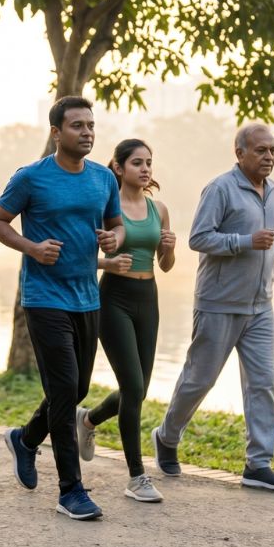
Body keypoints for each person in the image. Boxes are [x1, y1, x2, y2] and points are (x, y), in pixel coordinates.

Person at [0, 96, 123, 521]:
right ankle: (70, 490)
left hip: (88, 296)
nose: (86, 132)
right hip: (44, 298)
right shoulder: (31, 177)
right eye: (77, 126)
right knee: (65, 391)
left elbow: (116, 224)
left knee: (77, 389)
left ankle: (26, 439)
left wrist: (113, 240)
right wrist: (31, 247)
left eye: (90, 125)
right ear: (56, 132)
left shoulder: (104, 179)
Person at [153, 123, 274, 492]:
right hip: (218, 303)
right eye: (261, 150)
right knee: (199, 379)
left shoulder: (272, 190)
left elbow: (264, 232)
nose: (269, 157)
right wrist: (246, 242)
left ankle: (258, 464)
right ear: (240, 153)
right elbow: (199, 237)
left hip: (261, 306)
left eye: (273, 150)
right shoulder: (219, 189)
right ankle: (167, 437)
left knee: (263, 382)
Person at [76, 139, 175, 503]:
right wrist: (106, 262)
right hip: (113, 297)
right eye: (137, 162)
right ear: (118, 167)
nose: (145, 168)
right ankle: (136, 476)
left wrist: (169, 247)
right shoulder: (106, 207)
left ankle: (87, 421)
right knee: (132, 385)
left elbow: (165, 265)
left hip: (148, 299)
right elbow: (82, 253)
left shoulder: (158, 208)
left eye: (149, 162)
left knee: (139, 388)